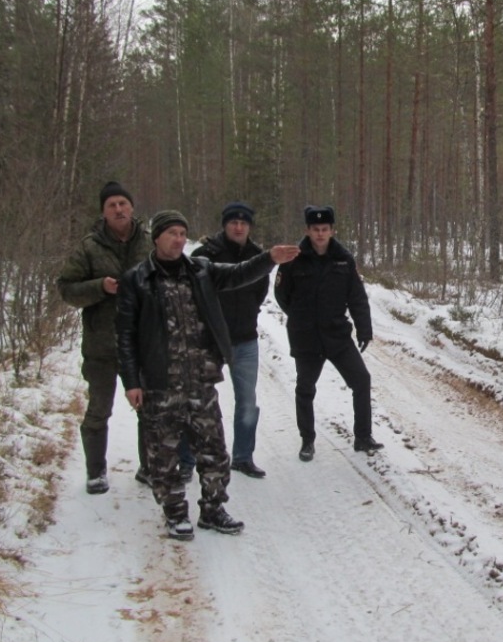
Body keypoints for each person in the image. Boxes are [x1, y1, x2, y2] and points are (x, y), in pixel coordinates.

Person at [116, 210, 299, 540]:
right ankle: (175, 514)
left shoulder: (199, 270)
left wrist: (269, 258)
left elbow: (238, 273)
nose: (178, 239)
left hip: (201, 381)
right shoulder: (137, 279)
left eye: (183, 233)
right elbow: (125, 335)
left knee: (214, 452)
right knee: (164, 458)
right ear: (156, 237)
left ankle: (213, 509)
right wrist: (131, 382)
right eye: (171, 233)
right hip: (160, 385)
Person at [57, 181, 153, 495]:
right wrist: (100, 287)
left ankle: (149, 467)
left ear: (132, 208)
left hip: (142, 343)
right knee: (99, 408)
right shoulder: (89, 246)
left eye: (123, 203)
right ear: (103, 211)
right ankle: (96, 471)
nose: (118, 209)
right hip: (101, 343)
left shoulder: (149, 243)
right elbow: (67, 289)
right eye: (111, 205)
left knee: (149, 409)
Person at [274, 205, 383, 462]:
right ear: (307, 230)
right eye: (315, 229)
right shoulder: (293, 258)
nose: (320, 234)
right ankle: (307, 440)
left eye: (325, 229)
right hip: (307, 336)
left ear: (333, 230)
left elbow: (356, 297)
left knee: (361, 381)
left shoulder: (344, 258)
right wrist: (301, 316)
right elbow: (281, 295)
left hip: (337, 335)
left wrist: (364, 329)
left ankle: (363, 437)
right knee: (305, 388)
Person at [192, 202, 269, 479]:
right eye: (233, 223)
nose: (238, 227)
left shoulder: (258, 256)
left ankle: (243, 457)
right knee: (198, 400)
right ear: (224, 224)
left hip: (245, 339)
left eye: (244, 223)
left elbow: (260, 291)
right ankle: (189, 459)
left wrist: (246, 314)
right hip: (210, 339)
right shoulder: (206, 254)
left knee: (247, 401)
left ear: (249, 226)